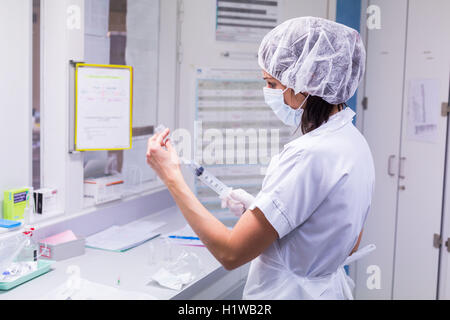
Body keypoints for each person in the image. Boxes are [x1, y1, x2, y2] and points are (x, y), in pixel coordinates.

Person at [146, 16, 375, 300]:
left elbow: (230, 252)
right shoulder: (354, 143)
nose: (268, 93)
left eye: (272, 83)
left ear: (308, 81)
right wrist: (264, 212)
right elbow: (345, 241)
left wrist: (171, 175)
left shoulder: (309, 154)